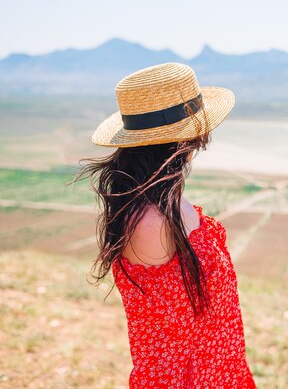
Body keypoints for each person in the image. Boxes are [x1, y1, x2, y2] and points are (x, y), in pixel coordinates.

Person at [74, 62, 257, 388]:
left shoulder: (161, 202)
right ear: (187, 138)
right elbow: (173, 332)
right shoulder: (149, 222)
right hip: (188, 378)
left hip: (217, 366)